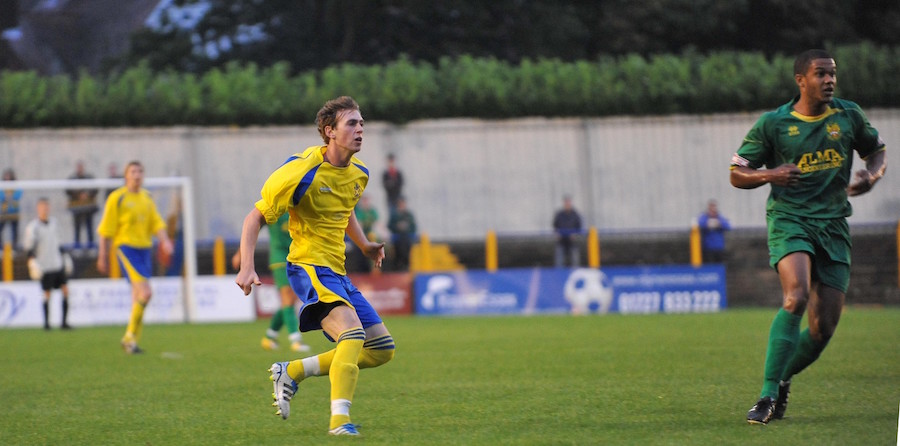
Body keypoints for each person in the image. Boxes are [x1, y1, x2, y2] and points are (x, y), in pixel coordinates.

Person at [731, 49, 887, 425]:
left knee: (821, 331)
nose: (829, 80)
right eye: (821, 74)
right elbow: (737, 173)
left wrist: (872, 175)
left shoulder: (848, 116)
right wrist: (770, 175)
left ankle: (784, 377)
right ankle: (767, 395)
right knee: (796, 295)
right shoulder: (774, 124)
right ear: (801, 80)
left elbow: (876, 152)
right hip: (790, 221)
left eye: (833, 74)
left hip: (833, 226)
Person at [235, 96, 394, 436]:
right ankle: (340, 421)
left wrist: (364, 244)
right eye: (351, 123)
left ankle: (292, 370)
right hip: (307, 266)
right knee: (352, 334)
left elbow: (345, 206)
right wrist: (247, 266)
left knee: (381, 349)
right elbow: (254, 217)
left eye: (362, 122)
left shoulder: (359, 175)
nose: (360, 129)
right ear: (329, 132)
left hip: (337, 271)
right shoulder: (301, 169)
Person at [97, 161, 174, 354]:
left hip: (144, 249)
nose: (137, 175)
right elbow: (105, 229)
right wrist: (102, 256)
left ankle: (130, 342)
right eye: (133, 171)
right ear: (126, 176)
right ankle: (129, 336)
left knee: (137, 296)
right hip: (126, 248)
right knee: (146, 293)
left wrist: (165, 241)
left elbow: (156, 223)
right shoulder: (117, 198)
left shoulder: (147, 197)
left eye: (140, 171)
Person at [230, 213, 311, 353]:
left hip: (299, 256)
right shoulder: (275, 205)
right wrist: (241, 253)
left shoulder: (300, 204)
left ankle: (269, 337)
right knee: (287, 296)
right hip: (280, 257)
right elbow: (254, 225)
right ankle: (295, 340)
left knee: (289, 301)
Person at [23, 197, 72, 330]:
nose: (45, 209)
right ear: (38, 209)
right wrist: (32, 262)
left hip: (57, 263)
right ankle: (46, 324)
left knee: (65, 290)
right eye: (42, 207)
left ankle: (64, 323)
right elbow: (29, 247)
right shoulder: (33, 227)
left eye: (46, 206)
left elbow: (59, 243)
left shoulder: (55, 223)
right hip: (44, 265)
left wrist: (65, 257)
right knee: (47, 293)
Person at [66, 160, 99, 250]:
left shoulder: (89, 177)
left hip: (88, 207)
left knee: (89, 226)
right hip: (77, 208)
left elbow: (95, 189)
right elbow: (68, 191)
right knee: (77, 227)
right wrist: (78, 194)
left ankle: (90, 243)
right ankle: (77, 244)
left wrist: (87, 194)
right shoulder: (72, 178)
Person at [348, 194, 379, 273]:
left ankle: (375, 269)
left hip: (370, 236)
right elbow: (358, 226)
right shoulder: (359, 211)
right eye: (364, 200)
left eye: (367, 200)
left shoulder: (372, 211)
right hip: (362, 236)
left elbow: (378, 224)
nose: (366, 202)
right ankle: (362, 271)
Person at [387, 196, 417, 271]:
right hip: (397, 237)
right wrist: (398, 227)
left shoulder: (409, 215)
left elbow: (413, 227)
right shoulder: (394, 215)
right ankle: (399, 265)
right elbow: (390, 226)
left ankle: (405, 264)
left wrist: (406, 227)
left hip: (407, 237)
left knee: (405, 242)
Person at [697, 199, 731, 263]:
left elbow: (728, 226)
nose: (713, 209)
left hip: (719, 247)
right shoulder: (704, 217)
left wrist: (719, 224)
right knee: (709, 265)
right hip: (708, 247)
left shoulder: (720, 217)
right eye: (711, 207)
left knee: (719, 264)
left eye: (714, 207)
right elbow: (700, 224)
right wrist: (708, 224)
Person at [553, 195, 582, 267]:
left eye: (568, 203)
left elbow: (579, 226)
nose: (567, 204)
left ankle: (574, 271)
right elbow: (555, 225)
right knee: (559, 258)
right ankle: (559, 273)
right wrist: (557, 233)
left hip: (572, 241)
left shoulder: (575, 214)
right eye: (566, 203)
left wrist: (575, 234)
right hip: (562, 241)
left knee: (575, 258)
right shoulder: (560, 214)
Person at [0, 168, 23, 250]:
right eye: (6, 176)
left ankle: (14, 245)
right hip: (4, 212)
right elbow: (1, 195)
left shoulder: (16, 185)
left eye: (9, 176)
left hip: (14, 211)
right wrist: (6, 197)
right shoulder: (2, 185)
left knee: (14, 231)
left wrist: (11, 197)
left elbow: (19, 193)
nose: (8, 178)